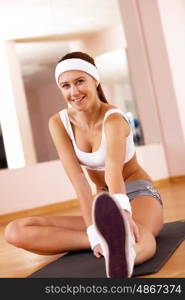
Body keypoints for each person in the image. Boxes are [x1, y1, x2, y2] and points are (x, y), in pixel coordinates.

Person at [4, 51, 164, 278]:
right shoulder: (59, 123)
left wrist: (125, 214)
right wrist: (92, 232)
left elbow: (113, 171)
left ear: (95, 80)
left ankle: (128, 253)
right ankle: (111, 242)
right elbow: (79, 182)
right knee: (15, 231)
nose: (74, 92)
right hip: (103, 202)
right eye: (66, 85)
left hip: (137, 191)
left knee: (142, 234)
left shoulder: (114, 119)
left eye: (80, 81)